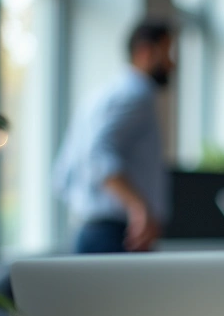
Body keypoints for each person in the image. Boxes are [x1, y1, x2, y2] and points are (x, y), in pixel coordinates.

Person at [53, 18, 175, 254]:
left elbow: (64, 175)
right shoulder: (136, 96)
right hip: (119, 235)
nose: (172, 63)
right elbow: (97, 153)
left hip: (91, 229)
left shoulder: (99, 96)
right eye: (167, 52)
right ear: (145, 51)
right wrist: (139, 208)